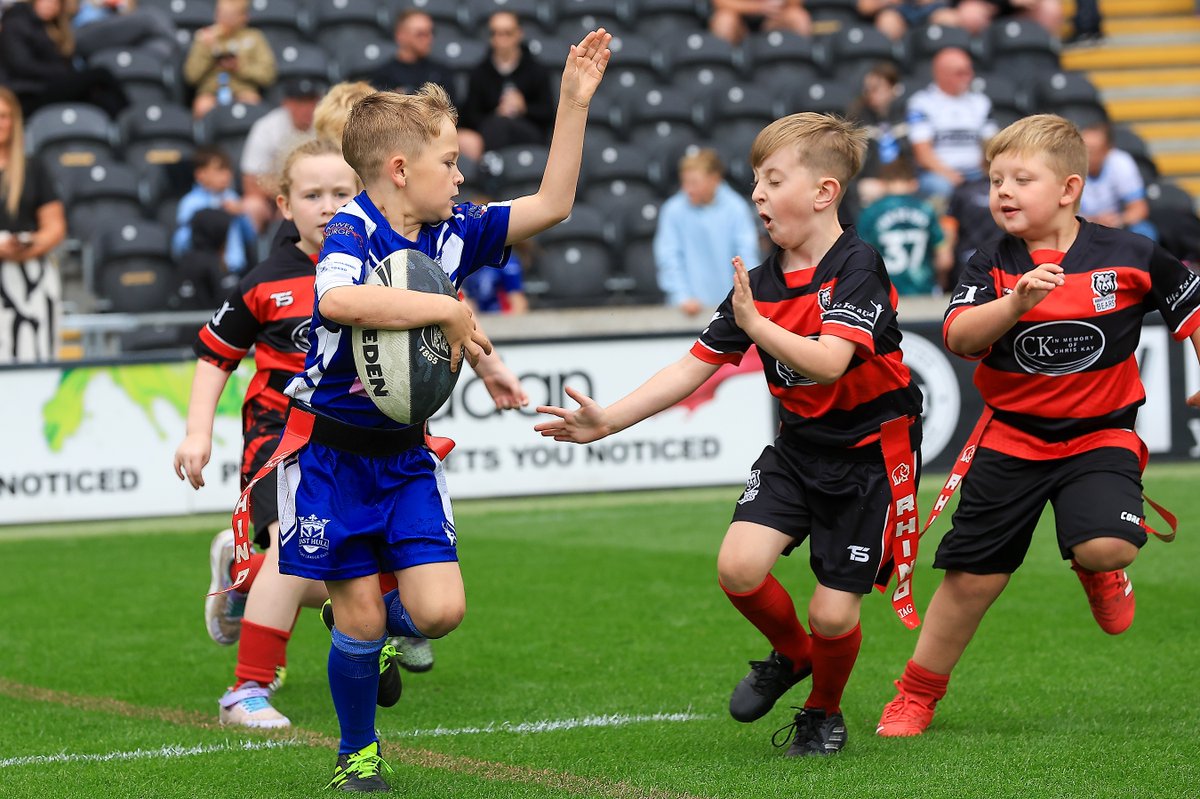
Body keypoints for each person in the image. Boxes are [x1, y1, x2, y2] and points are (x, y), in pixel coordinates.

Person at [267, 30, 610, 791]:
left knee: (441, 611)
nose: (461, 175)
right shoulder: (352, 227)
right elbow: (337, 299)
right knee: (355, 619)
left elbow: (552, 204)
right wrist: (451, 318)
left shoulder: (454, 231)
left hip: (405, 457)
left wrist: (573, 105)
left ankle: (377, 635)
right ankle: (358, 751)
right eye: (449, 162)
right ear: (399, 169)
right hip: (332, 459)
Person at [537, 112, 924, 758]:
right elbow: (693, 365)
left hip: (871, 459)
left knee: (834, 613)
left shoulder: (858, 265)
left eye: (773, 180)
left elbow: (827, 361)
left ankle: (823, 711)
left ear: (825, 193)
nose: (758, 195)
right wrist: (608, 419)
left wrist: (755, 322)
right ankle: (793, 656)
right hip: (799, 448)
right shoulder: (762, 284)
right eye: (755, 181)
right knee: (738, 567)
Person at [875, 114, 1200, 739]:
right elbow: (959, 337)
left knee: (1107, 543)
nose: (1003, 191)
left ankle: (1097, 565)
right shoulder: (989, 263)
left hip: (1100, 435)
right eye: (996, 179)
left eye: (1022, 178)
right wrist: (1016, 301)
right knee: (972, 580)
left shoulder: (1130, 253)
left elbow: (1194, 308)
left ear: (1069, 190)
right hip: (1012, 438)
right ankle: (915, 695)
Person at [174, 138, 380, 727]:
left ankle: (245, 577)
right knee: (298, 559)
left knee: (347, 574)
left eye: (342, 193)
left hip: (351, 440)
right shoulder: (264, 283)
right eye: (312, 195)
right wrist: (197, 433)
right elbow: (215, 357)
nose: (328, 205)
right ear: (285, 206)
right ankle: (246, 691)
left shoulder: (383, 270)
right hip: (279, 439)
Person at [0, 85, 66, 364]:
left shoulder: (33, 168)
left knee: (35, 359)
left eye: (5, 116)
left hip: (31, 277)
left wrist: (26, 246)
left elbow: (55, 226)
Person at [652, 148, 761, 316]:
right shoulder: (672, 210)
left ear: (714, 179)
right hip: (685, 311)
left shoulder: (736, 208)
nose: (688, 189)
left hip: (732, 310)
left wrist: (747, 295)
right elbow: (668, 258)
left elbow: (747, 255)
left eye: (694, 183)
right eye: (685, 182)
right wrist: (682, 297)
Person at [0, 0, 129, 119]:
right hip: (28, 94)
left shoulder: (50, 28)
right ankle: (131, 114)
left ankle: (125, 127)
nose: (51, 6)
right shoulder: (16, 23)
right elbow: (22, 65)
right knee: (100, 74)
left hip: (47, 86)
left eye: (56, 4)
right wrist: (61, 72)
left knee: (98, 96)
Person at [906, 47, 997, 206]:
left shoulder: (981, 102)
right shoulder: (922, 103)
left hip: (976, 173)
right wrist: (951, 176)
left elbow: (992, 143)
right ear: (941, 73)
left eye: (969, 71)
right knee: (941, 188)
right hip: (938, 175)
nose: (969, 77)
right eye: (960, 73)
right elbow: (922, 152)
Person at [458, 11, 554, 161]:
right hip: (490, 133)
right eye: (495, 33)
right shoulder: (479, 73)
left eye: (507, 33)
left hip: (528, 133)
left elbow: (548, 113)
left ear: (519, 34)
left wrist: (524, 108)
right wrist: (497, 113)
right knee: (498, 125)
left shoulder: (537, 70)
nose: (501, 39)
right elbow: (470, 116)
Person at [856, 157, 951, 296]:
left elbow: (861, 259)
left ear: (882, 183)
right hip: (923, 292)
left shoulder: (871, 212)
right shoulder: (926, 210)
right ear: (914, 183)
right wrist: (940, 283)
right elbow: (945, 260)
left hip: (884, 295)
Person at [239, 77, 322, 233]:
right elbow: (250, 182)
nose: (306, 108)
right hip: (272, 197)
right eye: (299, 102)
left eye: (310, 101)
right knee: (251, 206)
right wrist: (287, 198)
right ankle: (252, 256)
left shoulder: (323, 126)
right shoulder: (267, 127)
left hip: (319, 194)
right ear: (286, 103)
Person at [183, 0, 276, 120]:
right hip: (211, 92)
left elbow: (268, 75)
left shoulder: (254, 37)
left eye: (231, 16)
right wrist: (208, 51)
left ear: (244, 17)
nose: (225, 19)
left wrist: (240, 67)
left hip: (243, 91)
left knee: (253, 104)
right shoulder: (204, 37)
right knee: (202, 106)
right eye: (222, 14)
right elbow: (191, 76)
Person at [172, 145, 256, 276]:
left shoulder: (232, 197)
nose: (227, 175)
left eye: (228, 169)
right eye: (219, 170)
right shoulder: (191, 203)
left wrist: (241, 215)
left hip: (236, 270)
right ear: (200, 174)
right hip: (205, 274)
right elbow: (181, 244)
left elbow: (250, 237)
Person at [846, 61, 910, 210]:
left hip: (905, 180)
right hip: (871, 180)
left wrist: (908, 180)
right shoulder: (857, 118)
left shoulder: (907, 114)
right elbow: (854, 162)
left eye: (877, 88)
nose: (871, 93)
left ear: (894, 88)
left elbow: (914, 154)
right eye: (867, 89)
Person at [1079, 121, 1156, 241]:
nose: (1087, 155)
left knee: (1143, 230)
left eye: (1093, 150)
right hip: (1080, 226)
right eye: (1083, 149)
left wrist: (1118, 220)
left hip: (1117, 224)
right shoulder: (1069, 164)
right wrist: (1092, 221)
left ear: (1107, 150)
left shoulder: (1121, 163)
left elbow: (1139, 208)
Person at [941, 162, 1003, 288]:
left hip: (968, 260)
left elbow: (949, 226)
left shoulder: (963, 190)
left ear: (981, 162)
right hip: (1001, 260)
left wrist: (946, 251)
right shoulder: (1010, 192)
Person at [369, 9, 453, 98]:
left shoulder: (441, 73)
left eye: (431, 32)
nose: (429, 39)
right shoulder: (383, 76)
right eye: (420, 34)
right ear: (400, 35)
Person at [71, 0, 178, 61]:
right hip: (81, 33)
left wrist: (120, 5)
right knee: (152, 17)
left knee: (161, 46)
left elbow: (128, 10)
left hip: (120, 35)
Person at [708, 0, 812, 46]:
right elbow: (719, 3)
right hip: (739, 19)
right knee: (724, 20)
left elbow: (796, 2)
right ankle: (722, 68)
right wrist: (757, 7)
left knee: (798, 17)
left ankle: (800, 65)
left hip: (773, 19)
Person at [856, 1, 956, 41]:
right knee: (888, 22)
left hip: (932, 9)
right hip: (899, 10)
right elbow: (864, 6)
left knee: (949, 19)